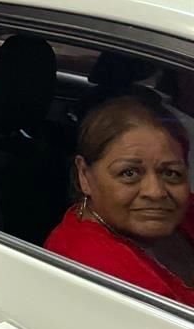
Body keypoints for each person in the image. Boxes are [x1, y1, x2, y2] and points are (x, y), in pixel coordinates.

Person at [45, 95, 194, 307]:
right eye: (129, 173)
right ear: (85, 176)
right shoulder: (94, 267)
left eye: (171, 173)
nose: (156, 191)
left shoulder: (182, 210)